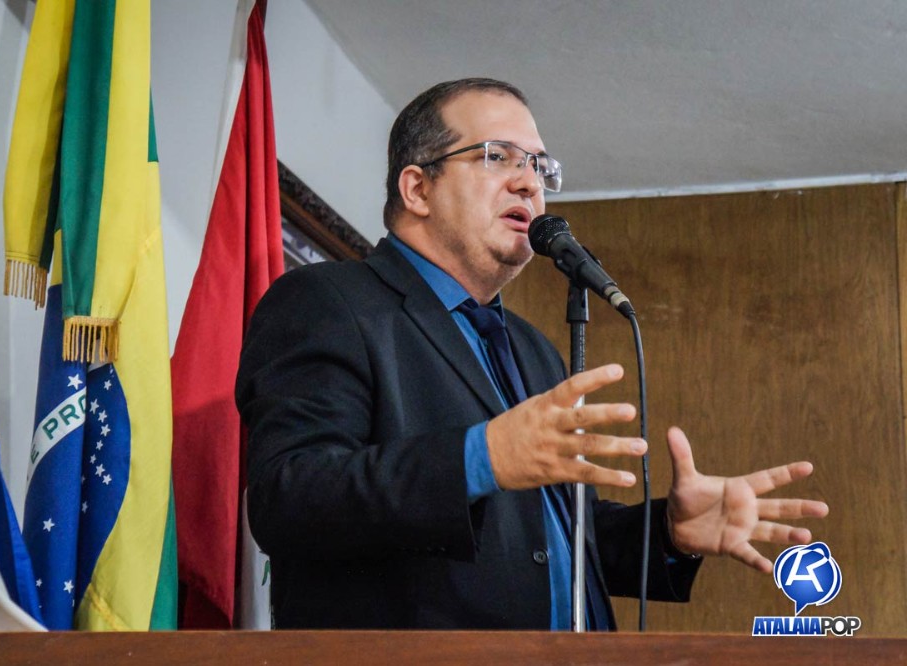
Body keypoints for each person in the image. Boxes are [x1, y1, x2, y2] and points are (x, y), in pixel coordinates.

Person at [235, 78, 828, 630]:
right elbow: (289, 496)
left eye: (539, 166)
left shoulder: (532, 348)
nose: (529, 183)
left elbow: (549, 542)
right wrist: (478, 457)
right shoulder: (328, 302)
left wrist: (669, 533)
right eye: (497, 156)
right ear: (417, 188)